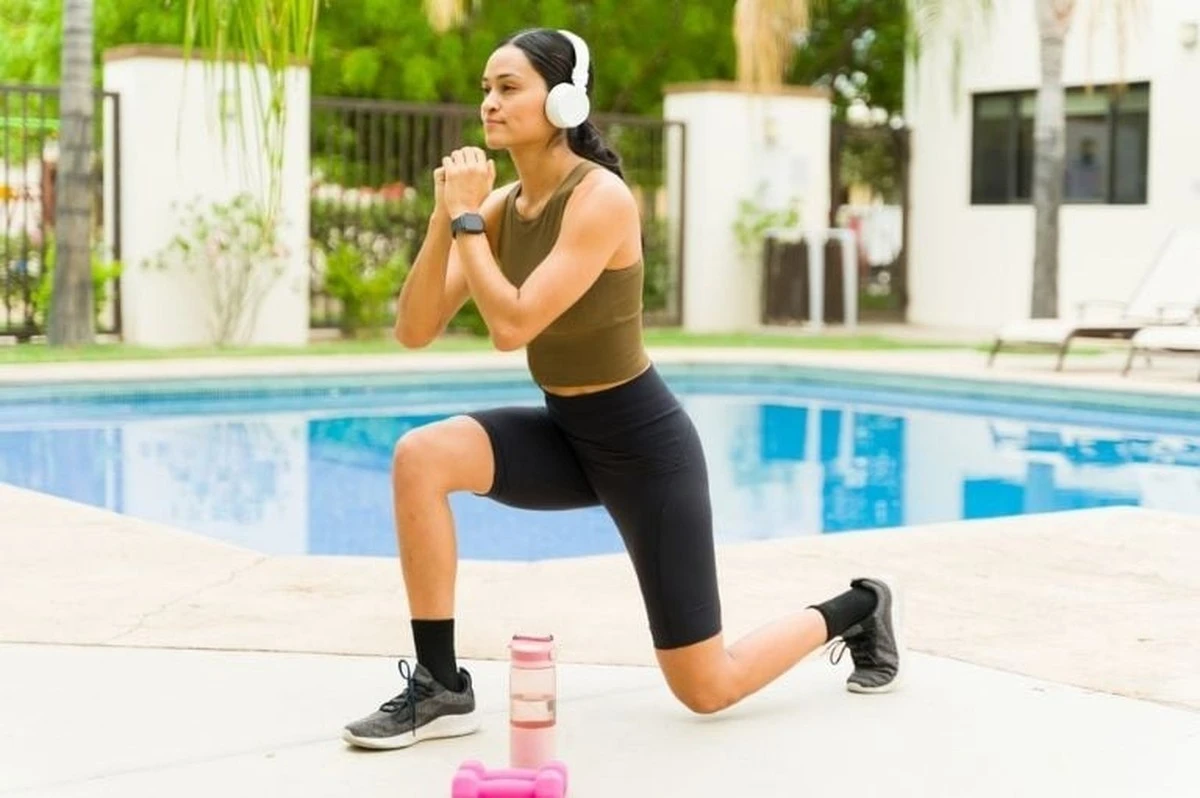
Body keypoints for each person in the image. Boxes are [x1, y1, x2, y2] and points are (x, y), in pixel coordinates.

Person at [342, 27, 903, 751]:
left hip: (644, 452)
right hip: (565, 433)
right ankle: (441, 684)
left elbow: (512, 326)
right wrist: (441, 220)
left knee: (706, 688)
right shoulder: (503, 208)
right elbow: (414, 329)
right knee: (420, 456)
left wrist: (467, 221)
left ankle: (858, 607)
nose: (490, 103)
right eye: (486, 89)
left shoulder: (600, 199)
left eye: (509, 87)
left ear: (564, 100)